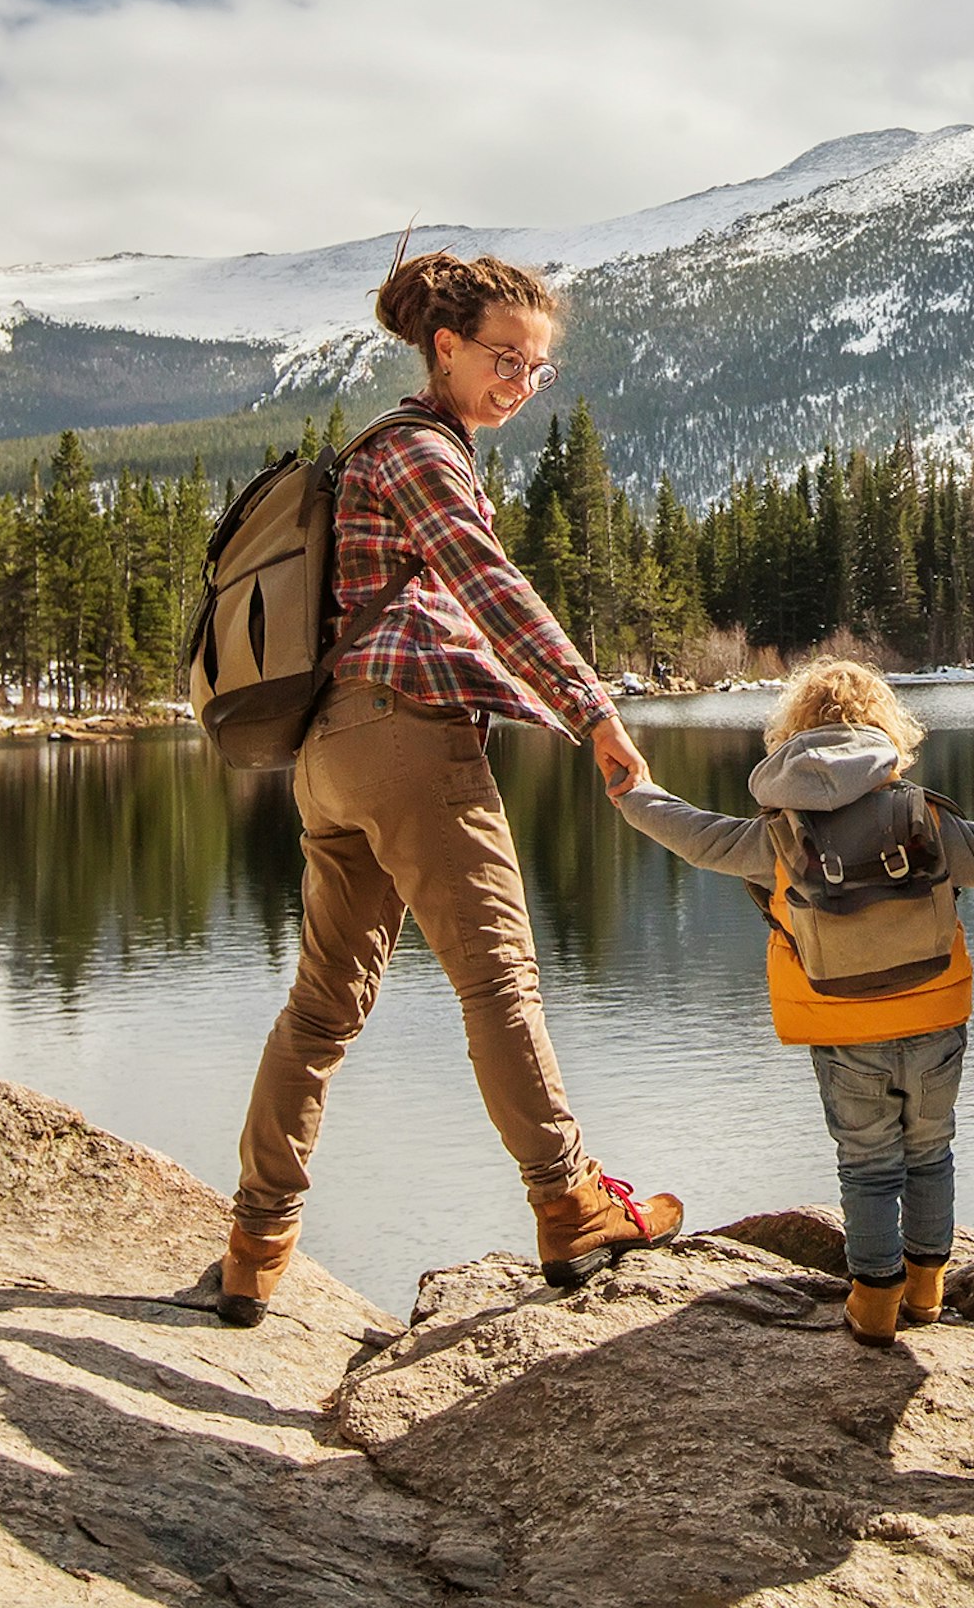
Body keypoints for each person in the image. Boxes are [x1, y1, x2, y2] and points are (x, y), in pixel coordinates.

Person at [216, 249, 686, 1324]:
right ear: (445, 347)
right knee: (498, 980)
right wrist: (592, 709)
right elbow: (488, 579)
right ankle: (571, 1203)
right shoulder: (426, 450)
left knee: (323, 1003)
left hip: (330, 754)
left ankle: (256, 1240)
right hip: (407, 742)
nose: (520, 382)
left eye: (537, 368)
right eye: (504, 358)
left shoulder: (380, 447)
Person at [601, 657, 974, 1344]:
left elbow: (697, 837)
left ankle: (874, 1304)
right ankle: (928, 1292)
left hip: (841, 1024)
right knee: (930, 1153)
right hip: (934, 1013)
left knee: (868, 1163)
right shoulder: (921, 816)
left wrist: (634, 793)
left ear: (794, 732)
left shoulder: (782, 833)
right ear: (886, 730)